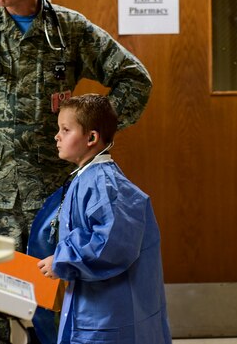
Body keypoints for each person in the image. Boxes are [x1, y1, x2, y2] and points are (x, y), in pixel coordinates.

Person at [0, 0, 152, 344]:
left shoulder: (69, 30)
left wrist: (87, 125)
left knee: (50, 313)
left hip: (52, 202)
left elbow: (135, 80)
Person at [37, 94, 171, 344]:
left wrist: (62, 260)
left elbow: (110, 245)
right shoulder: (86, 179)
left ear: (91, 138)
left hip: (107, 318)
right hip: (93, 308)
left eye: (65, 130)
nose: (57, 136)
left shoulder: (105, 185)